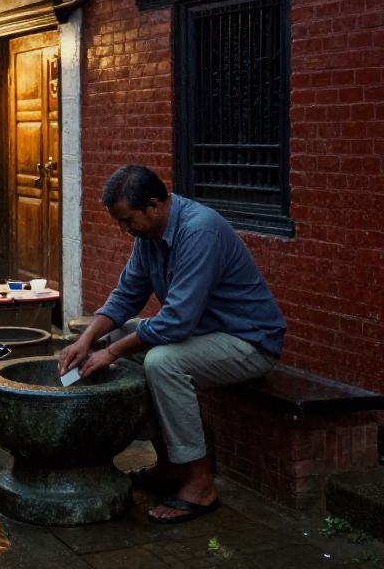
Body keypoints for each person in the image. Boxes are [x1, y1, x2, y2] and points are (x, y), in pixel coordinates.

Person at [58, 164, 286, 524]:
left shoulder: (199, 231)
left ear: (153, 205)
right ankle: (169, 467)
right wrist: (89, 340)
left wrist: (111, 351)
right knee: (122, 335)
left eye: (127, 219)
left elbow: (176, 322)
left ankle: (200, 483)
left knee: (161, 361)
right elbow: (126, 297)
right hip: (205, 333)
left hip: (249, 341)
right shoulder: (147, 237)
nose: (124, 230)